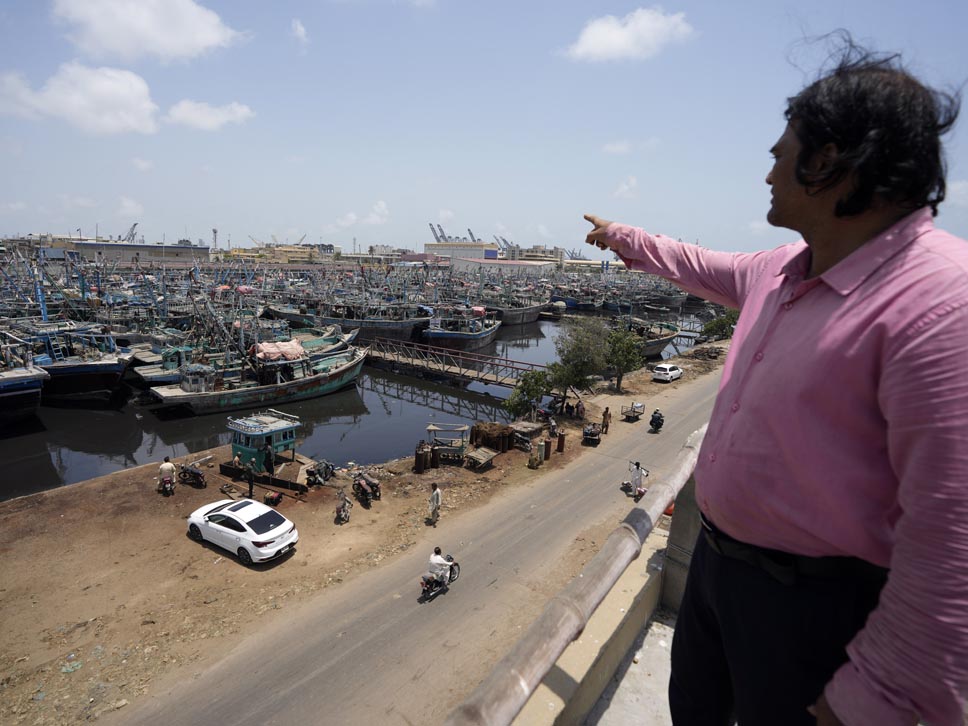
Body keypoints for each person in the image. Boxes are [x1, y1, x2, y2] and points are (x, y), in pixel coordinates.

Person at [585, 38, 967, 726]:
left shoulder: (941, 304)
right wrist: (623, 237)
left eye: (779, 153)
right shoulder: (785, 269)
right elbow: (695, 263)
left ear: (830, 162)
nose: (767, 171)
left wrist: (873, 700)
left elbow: (953, 544)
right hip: (715, 569)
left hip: (815, 612)